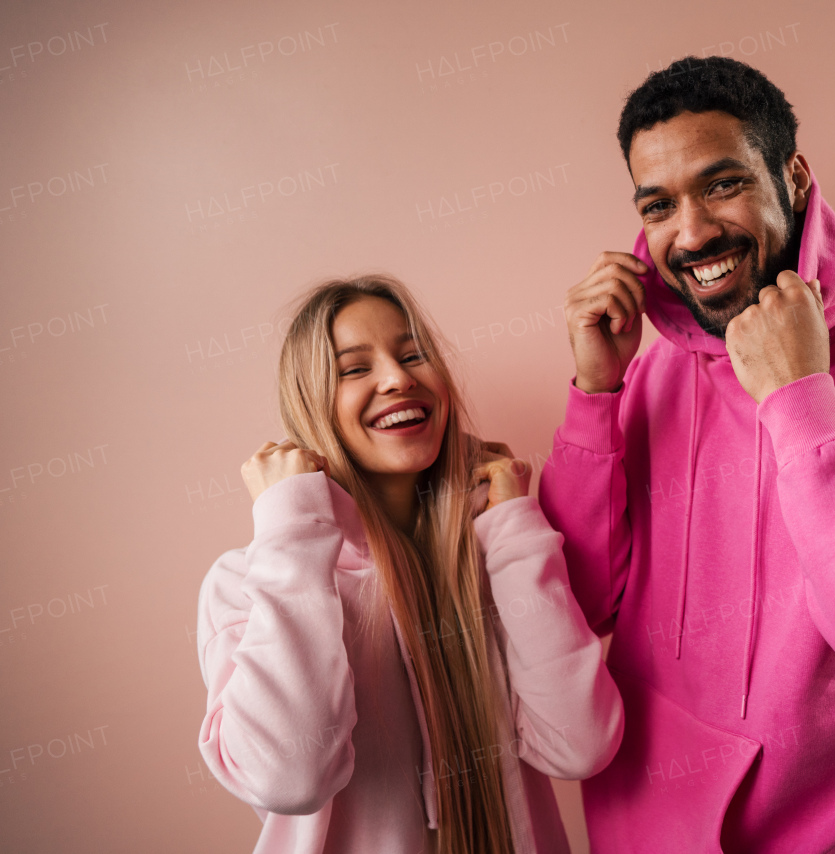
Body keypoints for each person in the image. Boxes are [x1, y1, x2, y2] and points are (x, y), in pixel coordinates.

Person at [539, 56, 835, 852]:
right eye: (659, 204)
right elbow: (577, 610)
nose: (690, 234)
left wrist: (801, 400)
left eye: (721, 184)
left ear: (792, 176)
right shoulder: (647, 369)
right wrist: (594, 395)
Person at [195, 275, 623, 854]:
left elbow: (581, 745)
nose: (398, 379)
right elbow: (289, 778)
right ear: (311, 403)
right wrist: (293, 529)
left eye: (413, 354)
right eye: (353, 368)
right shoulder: (248, 582)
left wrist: (514, 526)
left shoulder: (497, 554)